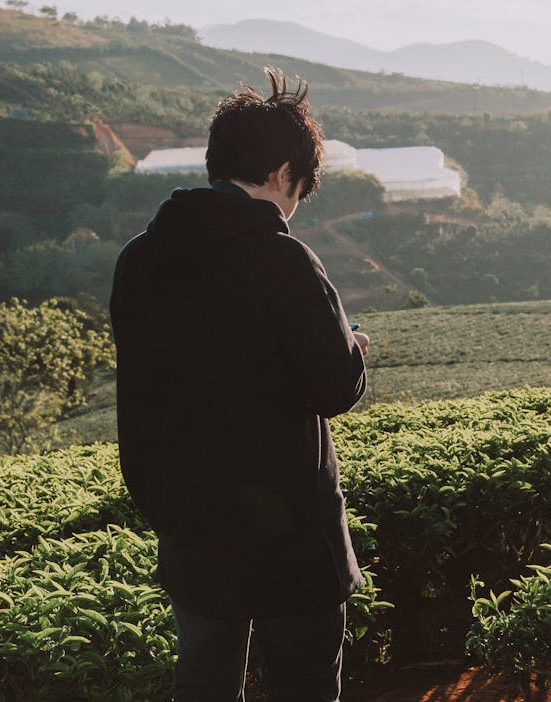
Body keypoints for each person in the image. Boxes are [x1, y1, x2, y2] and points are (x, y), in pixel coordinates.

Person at [109, 68, 369, 701]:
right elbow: (333, 386)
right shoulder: (283, 259)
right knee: (303, 686)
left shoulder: (140, 259)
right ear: (283, 173)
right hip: (291, 540)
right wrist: (352, 349)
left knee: (203, 684)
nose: (293, 206)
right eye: (299, 189)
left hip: (191, 526)